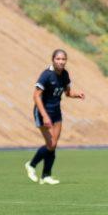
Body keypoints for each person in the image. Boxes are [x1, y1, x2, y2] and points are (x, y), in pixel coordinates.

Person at [25, 49, 84, 185]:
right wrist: (45, 116)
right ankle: (31, 165)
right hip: (43, 113)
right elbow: (36, 96)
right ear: (53, 59)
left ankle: (46, 176)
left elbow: (67, 93)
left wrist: (77, 95)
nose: (61, 62)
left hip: (56, 112)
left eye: (63, 59)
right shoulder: (46, 75)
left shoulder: (64, 75)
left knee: (53, 145)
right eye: (58, 59)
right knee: (50, 144)